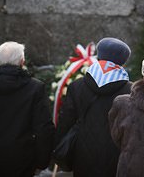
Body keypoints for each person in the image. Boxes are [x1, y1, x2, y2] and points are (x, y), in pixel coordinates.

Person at [0, 41, 54, 177]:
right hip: (24, 159)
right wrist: (41, 163)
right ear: (22, 62)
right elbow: (43, 128)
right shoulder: (35, 88)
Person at [54, 37, 133, 177]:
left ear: (99, 56)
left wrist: (56, 146)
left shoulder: (76, 86)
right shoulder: (131, 91)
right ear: (123, 61)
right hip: (116, 155)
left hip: (82, 153)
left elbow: (65, 122)